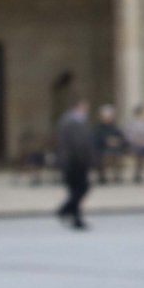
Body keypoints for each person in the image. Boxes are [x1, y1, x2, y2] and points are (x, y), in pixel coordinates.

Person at [55, 85, 95, 232]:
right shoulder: (70, 122)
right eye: (84, 106)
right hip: (74, 162)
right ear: (77, 107)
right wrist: (83, 159)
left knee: (78, 190)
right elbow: (76, 144)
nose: (86, 109)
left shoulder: (78, 121)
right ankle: (65, 210)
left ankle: (76, 218)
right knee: (80, 188)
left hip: (78, 161)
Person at [92, 103, 128, 185]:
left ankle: (117, 176)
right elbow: (94, 140)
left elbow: (123, 139)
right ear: (101, 117)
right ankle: (102, 177)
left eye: (109, 115)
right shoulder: (97, 128)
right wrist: (106, 141)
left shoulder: (115, 127)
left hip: (115, 149)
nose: (107, 117)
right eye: (105, 115)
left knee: (117, 155)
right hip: (102, 150)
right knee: (105, 156)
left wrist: (117, 141)